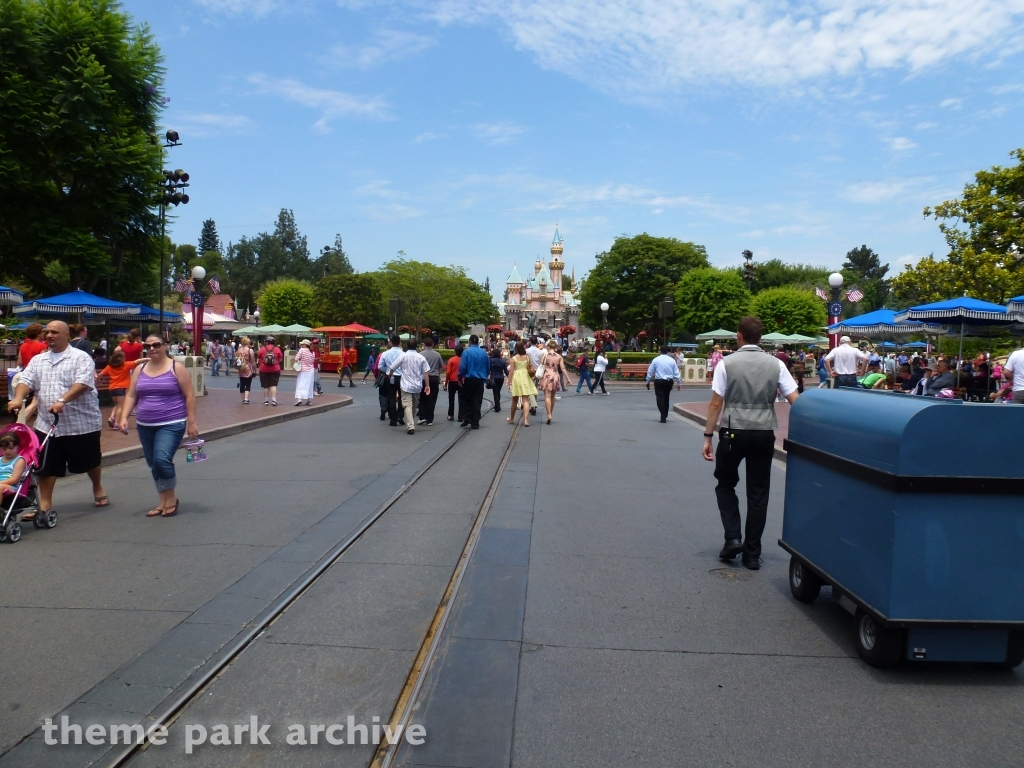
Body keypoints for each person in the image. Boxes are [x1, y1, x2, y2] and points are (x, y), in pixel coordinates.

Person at [702, 316, 799, 570]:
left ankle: (733, 537)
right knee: (758, 493)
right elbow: (794, 399)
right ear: (760, 337)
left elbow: (715, 403)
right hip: (764, 431)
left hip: (733, 430)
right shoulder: (776, 364)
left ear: (739, 336)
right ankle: (752, 553)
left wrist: (708, 436)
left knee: (725, 484)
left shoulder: (727, 364)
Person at [7, 321, 108, 516]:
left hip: (81, 423)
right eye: (47, 332)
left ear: (66, 335)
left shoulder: (81, 358)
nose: (49, 335)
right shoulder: (39, 360)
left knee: (90, 461)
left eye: (54, 332)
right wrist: (19, 398)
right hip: (46, 424)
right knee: (45, 465)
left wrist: (62, 400)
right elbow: (26, 380)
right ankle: (45, 504)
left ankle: (97, 486)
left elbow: (83, 383)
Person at [120, 334, 198, 517]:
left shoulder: (176, 367)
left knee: (161, 460)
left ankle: (170, 499)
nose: (152, 348)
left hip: (172, 422)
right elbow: (131, 395)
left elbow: (189, 395)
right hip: (145, 423)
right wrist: (124, 417)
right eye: (147, 346)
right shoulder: (140, 369)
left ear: (165, 346)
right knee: (153, 463)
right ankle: (162, 501)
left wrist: (192, 422)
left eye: (156, 344)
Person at [392, 343, 431, 434]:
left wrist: (390, 374)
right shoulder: (421, 357)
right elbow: (426, 372)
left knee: (407, 405)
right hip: (417, 386)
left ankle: (410, 425)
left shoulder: (403, 356)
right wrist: (427, 385)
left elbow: (393, 367)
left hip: (406, 385)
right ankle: (411, 423)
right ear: (416, 346)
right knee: (414, 405)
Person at [98, 348, 138, 429]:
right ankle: (116, 423)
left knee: (117, 404)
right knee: (121, 406)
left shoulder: (109, 367)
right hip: (121, 388)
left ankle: (111, 417)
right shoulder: (126, 365)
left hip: (112, 389)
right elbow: (138, 361)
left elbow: (100, 374)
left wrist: (98, 380)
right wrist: (148, 358)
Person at [457, 335, 489, 429]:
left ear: (470, 342)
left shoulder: (466, 352)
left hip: (469, 379)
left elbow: (463, 367)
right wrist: (485, 376)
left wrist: (459, 377)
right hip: (479, 380)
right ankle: (475, 421)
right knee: (477, 400)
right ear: (478, 342)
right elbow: (487, 367)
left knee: (464, 398)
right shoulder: (483, 353)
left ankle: (467, 417)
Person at [537, 338, 572, 424]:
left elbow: (541, 366)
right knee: (552, 397)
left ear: (548, 347)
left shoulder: (545, 355)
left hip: (546, 375)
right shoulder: (559, 356)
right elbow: (563, 368)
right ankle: (551, 413)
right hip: (555, 376)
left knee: (547, 396)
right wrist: (568, 379)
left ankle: (548, 414)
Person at [645, 345, 683, 423]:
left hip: (659, 381)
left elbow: (650, 371)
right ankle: (665, 414)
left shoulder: (656, 360)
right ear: (668, 351)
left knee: (660, 398)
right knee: (666, 397)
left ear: (660, 351)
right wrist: (679, 383)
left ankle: (663, 415)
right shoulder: (671, 360)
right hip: (669, 381)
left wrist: (648, 381)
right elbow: (676, 372)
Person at [507, 341, 538, 426]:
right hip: (525, 377)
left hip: (517, 377)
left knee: (514, 399)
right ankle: (526, 420)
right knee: (525, 400)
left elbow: (511, 372)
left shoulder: (513, 358)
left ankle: (512, 418)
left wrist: (509, 383)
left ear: (516, 348)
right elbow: (530, 367)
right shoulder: (527, 357)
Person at [378, 336, 406, 426]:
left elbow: (380, 367)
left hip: (389, 377)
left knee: (391, 398)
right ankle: (400, 415)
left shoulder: (385, 353)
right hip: (401, 377)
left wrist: (388, 369)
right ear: (399, 342)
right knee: (402, 398)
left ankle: (393, 419)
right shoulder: (403, 354)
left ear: (391, 342)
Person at [418, 338, 443, 426]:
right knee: (432, 399)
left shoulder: (420, 354)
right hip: (434, 378)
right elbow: (441, 367)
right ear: (432, 344)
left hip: (423, 379)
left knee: (422, 398)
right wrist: (437, 373)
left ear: (424, 345)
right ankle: (430, 419)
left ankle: (422, 416)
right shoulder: (437, 355)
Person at [258, 336, 283, 406]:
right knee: (273, 385)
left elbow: (259, 357)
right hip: (275, 369)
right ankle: (274, 400)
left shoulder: (262, 349)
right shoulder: (277, 349)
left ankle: (266, 400)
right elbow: (280, 359)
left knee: (266, 386)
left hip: (263, 369)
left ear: (267, 342)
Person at [0, 432, 27, 497]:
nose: (8, 451)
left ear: (18, 447)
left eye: (11, 448)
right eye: (4, 449)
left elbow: (14, 479)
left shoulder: (19, 460)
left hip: (12, 487)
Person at [525, 337, 544, 415]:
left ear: (530, 342)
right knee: (535, 388)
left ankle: (533, 405)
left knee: (529, 388)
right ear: (536, 342)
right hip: (537, 371)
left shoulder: (527, 351)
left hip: (529, 371)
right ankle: (534, 404)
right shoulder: (540, 351)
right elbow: (541, 362)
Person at [294, 339, 316, 406]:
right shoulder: (312, 352)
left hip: (303, 370)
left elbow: (296, 359)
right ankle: (309, 400)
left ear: (305, 344)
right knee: (309, 385)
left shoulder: (302, 350)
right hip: (311, 370)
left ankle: (299, 399)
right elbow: (312, 361)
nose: (301, 345)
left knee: (300, 384)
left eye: (302, 344)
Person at [444, 345, 463, 422]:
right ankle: (461, 416)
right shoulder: (464, 360)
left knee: (451, 399)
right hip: (461, 381)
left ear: (455, 352)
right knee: (461, 399)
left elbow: (448, 372)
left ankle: (450, 414)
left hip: (452, 381)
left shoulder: (451, 360)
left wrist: (446, 383)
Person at [236, 337, 257, 404]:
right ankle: (246, 398)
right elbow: (253, 361)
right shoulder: (250, 350)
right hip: (247, 368)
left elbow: (236, 358)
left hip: (241, 368)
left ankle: (243, 398)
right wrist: (254, 369)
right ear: (248, 342)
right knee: (248, 383)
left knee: (242, 383)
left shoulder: (239, 350)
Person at [489, 347, 509, 413]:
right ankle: (497, 405)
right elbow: (506, 372)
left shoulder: (491, 360)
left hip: (494, 377)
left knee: (495, 392)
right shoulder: (503, 361)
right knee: (498, 391)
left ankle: (497, 406)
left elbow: (488, 369)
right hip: (501, 378)